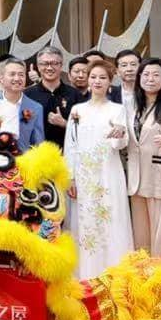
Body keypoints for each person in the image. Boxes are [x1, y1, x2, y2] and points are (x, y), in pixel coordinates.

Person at [65, 61, 134, 281]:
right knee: (85, 222)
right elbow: (71, 144)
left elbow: (122, 144)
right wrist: (70, 177)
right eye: (93, 77)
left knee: (111, 219)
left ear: (110, 82)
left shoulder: (118, 109)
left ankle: (113, 274)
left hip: (109, 172)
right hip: (83, 175)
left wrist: (120, 134)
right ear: (87, 80)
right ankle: (85, 275)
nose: (97, 81)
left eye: (102, 77)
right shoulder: (77, 110)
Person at [127, 58, 161, 260]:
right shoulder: (131, 105)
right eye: (146, 74)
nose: (150, 79)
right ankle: (143, 271)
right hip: (137, 176)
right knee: (140, 233)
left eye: (156, 74)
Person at [26, 47, 81, 142]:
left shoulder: (75, 94)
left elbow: (84, 129)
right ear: (38, 66)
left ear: (61, 66)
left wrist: (64, 123)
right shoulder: (27, 95)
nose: (49, 68)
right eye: (45, 64)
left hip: (67, 149)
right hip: (36, 150)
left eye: (54, 63)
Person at [0, 57, 47, 148]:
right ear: (1, 78)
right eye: (12, 74)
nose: (17, 78)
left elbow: (38, 144)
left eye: (21, 75)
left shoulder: (35, 108)